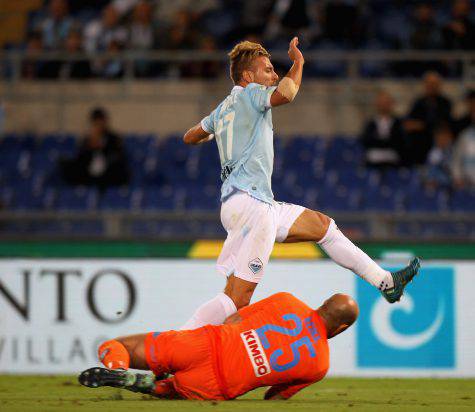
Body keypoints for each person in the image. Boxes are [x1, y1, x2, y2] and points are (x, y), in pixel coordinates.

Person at [181, 37, 421, 333]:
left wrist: (216, 130)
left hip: (247, 204)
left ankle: (385, 281)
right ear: (248, 77)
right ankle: (175, 345)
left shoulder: (223, 108)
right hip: (252, 206)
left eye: (274, 70)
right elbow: (288, 93)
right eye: (267, 70)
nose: (273, 76)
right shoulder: (251, 94)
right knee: (236, 299)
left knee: (323, 227)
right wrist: (299, 63)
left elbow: (190, 136)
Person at [79, 292, 358, 400]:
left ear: (323, 304)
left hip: (204, 345)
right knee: (170, 391)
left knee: (117, 345)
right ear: (343, 328)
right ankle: (144, 384)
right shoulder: (320, 365)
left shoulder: (288, 302)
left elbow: (233, 317)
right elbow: (273, 399)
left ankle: (119, 369)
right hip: (218, 386)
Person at [60, 107, 129, 188]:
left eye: (100, 122)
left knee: (119, 169)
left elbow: (118, 156)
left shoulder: (113, 138)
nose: (98, 125)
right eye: (96, 122)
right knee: (67, 165)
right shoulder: (87, 140)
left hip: (108, 172)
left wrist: (103, 148)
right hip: (89, 173)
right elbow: (80, 159)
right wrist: (90, 147)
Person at [404, 71, 452, 164]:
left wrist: (422, 125)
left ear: (439, 85)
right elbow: (409, 124)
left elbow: (441, 123)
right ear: (425, 85)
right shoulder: (418, 103)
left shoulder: (445, 103)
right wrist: (424, 125)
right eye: (429, 83)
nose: (432, 86)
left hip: (439, 144)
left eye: (434, 84)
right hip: (420, 145)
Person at [360, 90, 406, 168]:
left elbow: (400, 141)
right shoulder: (371, 123)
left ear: (391, 103)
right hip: (374, 159)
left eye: (386, 102)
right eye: (381, 102)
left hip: (392, 159)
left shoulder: (398, 122)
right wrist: (385, 141)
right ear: (377, 104)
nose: (384, 105)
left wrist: (380, 140)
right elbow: (366, 140)